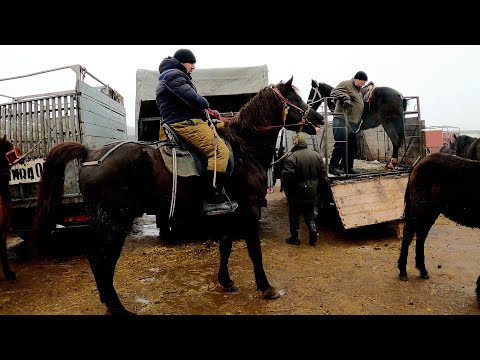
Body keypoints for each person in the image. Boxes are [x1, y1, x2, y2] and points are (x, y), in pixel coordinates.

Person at [155, 48, 238, 216]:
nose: (193, 67)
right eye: (191, 63)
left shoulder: (172, 75)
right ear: (182, 62)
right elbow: (193, 99)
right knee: (220, 152)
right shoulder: (174, 76)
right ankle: (212, 198)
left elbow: (187, 103)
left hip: (186, 119)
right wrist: (205, 103)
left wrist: (208, 115)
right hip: (185, 123)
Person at [282, 133, 325, 246]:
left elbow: (288, 178)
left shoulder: (291, 158)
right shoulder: (317, 155)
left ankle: (294, 238)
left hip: (297, 192)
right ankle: (313, 230)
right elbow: (323, 175)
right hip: (312, 191)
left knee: (294, 214)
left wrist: (288, 190)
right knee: (309, 213)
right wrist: (318, 189)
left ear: (295, 143)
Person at [329, 71, 368, 175]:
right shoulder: (346, 84)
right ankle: (332, 166)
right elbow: (334, 92)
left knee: (353, 146)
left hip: (351, 123)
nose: (363, 84)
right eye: (363, 82)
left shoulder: (358, 89)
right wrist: (345, 97)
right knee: (341, 144)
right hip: (341, 120)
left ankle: (347, 167)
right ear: (357, 79)